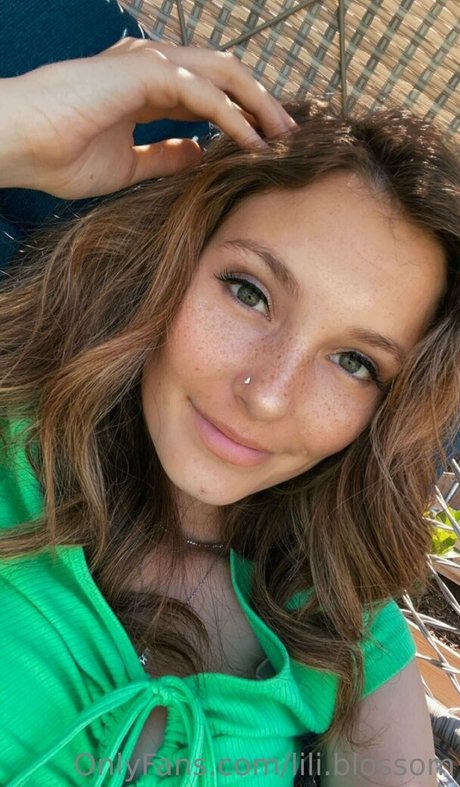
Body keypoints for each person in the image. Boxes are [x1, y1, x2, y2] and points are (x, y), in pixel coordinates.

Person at [0, 4, 459, 787]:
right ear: (173, 260)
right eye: (249, 291)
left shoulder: (339, 614)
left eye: (354, 361)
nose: (269, 395)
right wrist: (14, 127)